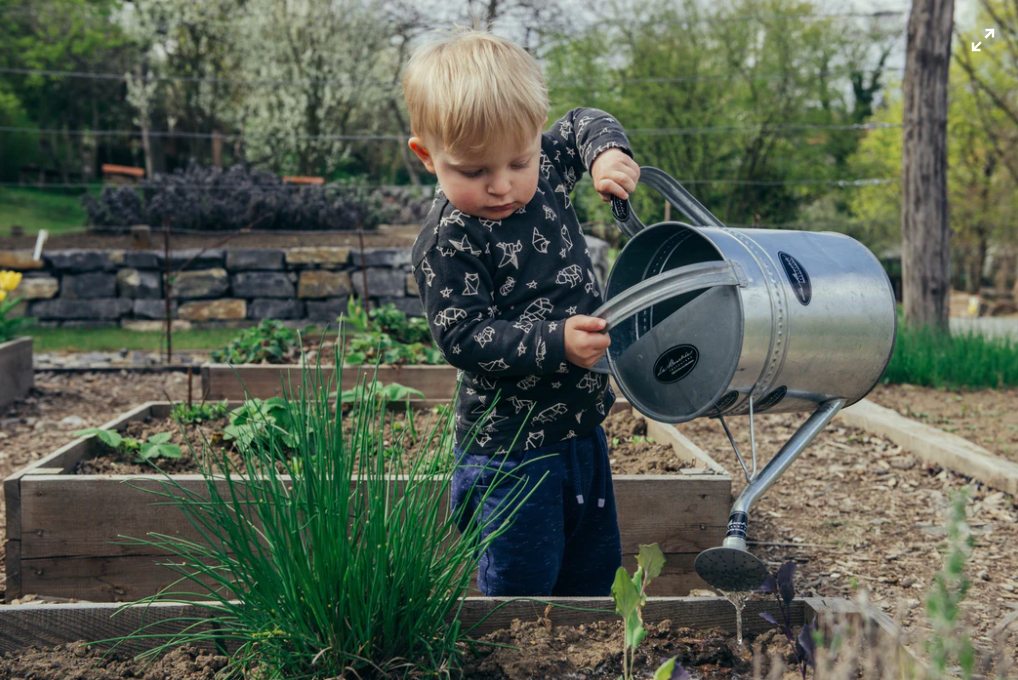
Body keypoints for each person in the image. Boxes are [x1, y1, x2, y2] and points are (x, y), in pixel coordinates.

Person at [404, 25, 640, 597]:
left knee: (592, 574)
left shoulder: (550, 168)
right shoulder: (449, 240)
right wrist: (555, 342)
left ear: (536, 136)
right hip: (510, 453)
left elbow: (584, 120)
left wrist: (608, 153)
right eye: (473, 171)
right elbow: (463, 335)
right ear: (426, 156)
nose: (502, 185)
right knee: (523, 590)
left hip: (583, 432)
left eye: (518, 160)